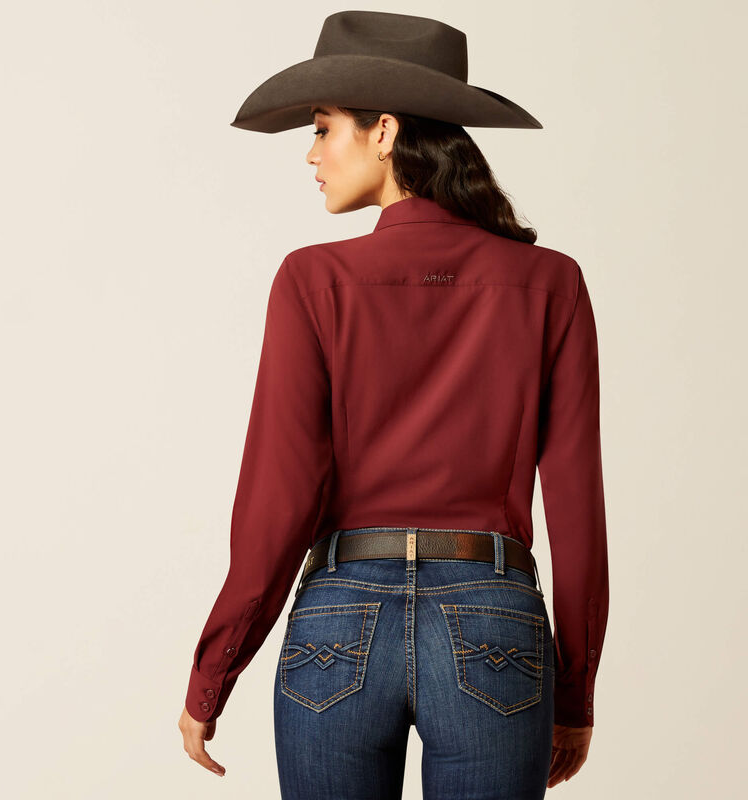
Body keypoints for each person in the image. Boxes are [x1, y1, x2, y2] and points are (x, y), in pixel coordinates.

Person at [178, 10, 609, 799]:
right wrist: (575, 691)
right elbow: (578, 508)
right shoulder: (550, 283)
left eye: (322, 128)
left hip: (339, 623)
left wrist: (214, 672)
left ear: (384, 132)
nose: (311, 154)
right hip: (494, 621)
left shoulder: (313, 281)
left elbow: (279, 499)